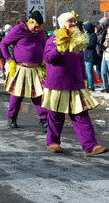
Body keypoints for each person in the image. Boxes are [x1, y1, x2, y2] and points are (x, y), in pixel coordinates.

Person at [42, 12, 107, 156]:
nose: (73, 24)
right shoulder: (53, 39)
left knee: (81, 115)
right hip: (57, 84)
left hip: (75, 84)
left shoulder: (78, 40)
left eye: (74, 21)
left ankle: (90, 146)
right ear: (62, 24)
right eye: (69, 21)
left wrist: (84, 79)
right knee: (55, 115)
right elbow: (47, 58)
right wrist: (58, 49)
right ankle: (53, 142)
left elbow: (80, 62)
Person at [0, 11, 48, 131]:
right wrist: (9, 61)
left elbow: (43, 45)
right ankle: (12, 117)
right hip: (21, 68)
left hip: (36, 69)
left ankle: (44, 120)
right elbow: (3, 44)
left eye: (39, 27)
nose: (37, 29)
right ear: (30, 21)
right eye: (36, 26)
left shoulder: (40, 32)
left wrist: (44, 60)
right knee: (17, 95)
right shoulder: (19, 29)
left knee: (38, 95)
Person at [83, 22, 99, 91]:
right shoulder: (90, 34)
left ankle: (90, 86)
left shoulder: (93, 35)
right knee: (88, 71)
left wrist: (84, 44)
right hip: (87, 55)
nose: (85, 30)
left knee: (89, 71)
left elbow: (92, 45)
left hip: (90, 55)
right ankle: (90, 85)